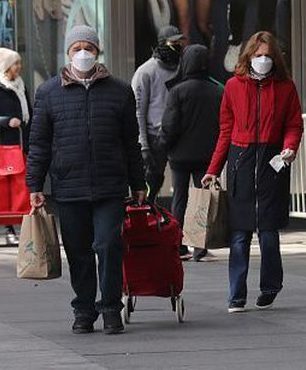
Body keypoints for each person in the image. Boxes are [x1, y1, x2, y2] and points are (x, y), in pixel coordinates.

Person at [27, 25, 146, 335]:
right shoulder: (49, 92)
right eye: (76, 48)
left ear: (97, 52)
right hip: (68, 187)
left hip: (110, 186)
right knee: (78, 251)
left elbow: (131, 142)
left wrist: (139, 183)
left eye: (88, 48)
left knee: (108, 245)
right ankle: (84, 309)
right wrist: (34, 186)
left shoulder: (119, 91)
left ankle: (110, 308)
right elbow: (39, 143)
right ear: (67, 53)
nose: (83, 53)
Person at [203, 31, 303, 313]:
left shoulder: (286, 87)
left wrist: (289, 148)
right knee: (239, 235)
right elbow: (225, 131)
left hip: (273, 163)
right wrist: (213, 170)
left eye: (268, 56)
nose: (263, 60)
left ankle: (270, 287)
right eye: (258, 55)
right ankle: (236, 296)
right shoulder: (233, 86)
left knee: (269, 234)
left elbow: (293, 124)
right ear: (248, 56)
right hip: (241, 162)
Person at [160, 44, 222, 261]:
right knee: (202, 198)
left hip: (179, 155)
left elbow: (170, 124)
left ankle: (178, 246)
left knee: (180, 198)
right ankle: (199, 247)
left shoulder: (177, 91)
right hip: (206, 155)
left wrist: (165, 146)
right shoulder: (217, 91)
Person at [0, 47, 32, 244]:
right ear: (6, 66)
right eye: (15, 64)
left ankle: (24, 224)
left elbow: (29, 113)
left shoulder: (21, 86)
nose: (18, 67)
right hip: (5, 146)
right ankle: (8, 227)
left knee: (22, 187)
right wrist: (5, 121)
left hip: (22, 143)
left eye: (19, 63)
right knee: (6, 188)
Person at [131, 25, 185, 203]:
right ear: (162, 43)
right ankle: (144, 216)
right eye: (173, 42)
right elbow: (138, 111)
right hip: (155, 137)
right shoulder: (145, 72)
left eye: (179, 42)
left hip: (178, 136)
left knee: (181, 186)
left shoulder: (182, 69)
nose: (177, 46)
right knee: (152, 183)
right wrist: (144, 145)